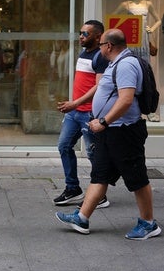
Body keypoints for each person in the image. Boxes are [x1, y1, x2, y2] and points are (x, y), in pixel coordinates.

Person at [56, 28, 161, 240]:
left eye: (102, 44)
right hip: (110, 132)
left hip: (124, 132)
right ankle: (82, 218)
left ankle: (149, 223)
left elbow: (126, 99)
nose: (100, 48)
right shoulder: (115, 63)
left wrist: (104, 121)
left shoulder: (126, 65)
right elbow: (104, 91)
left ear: (109, 46)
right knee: (100, 174)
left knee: (137, 178)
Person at [53, 20, 110, 208]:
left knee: (94, 155)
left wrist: (76, 103)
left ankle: (99, 195)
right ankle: (73, 188)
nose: (81, 36)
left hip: (89, 113)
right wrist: (73, 105)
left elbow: (99, 85)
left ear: (97, 36)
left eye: (85, 34)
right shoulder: (83, 53)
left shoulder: (100, 57)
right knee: (64, 146)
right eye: (80, 33)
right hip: (74, 113)